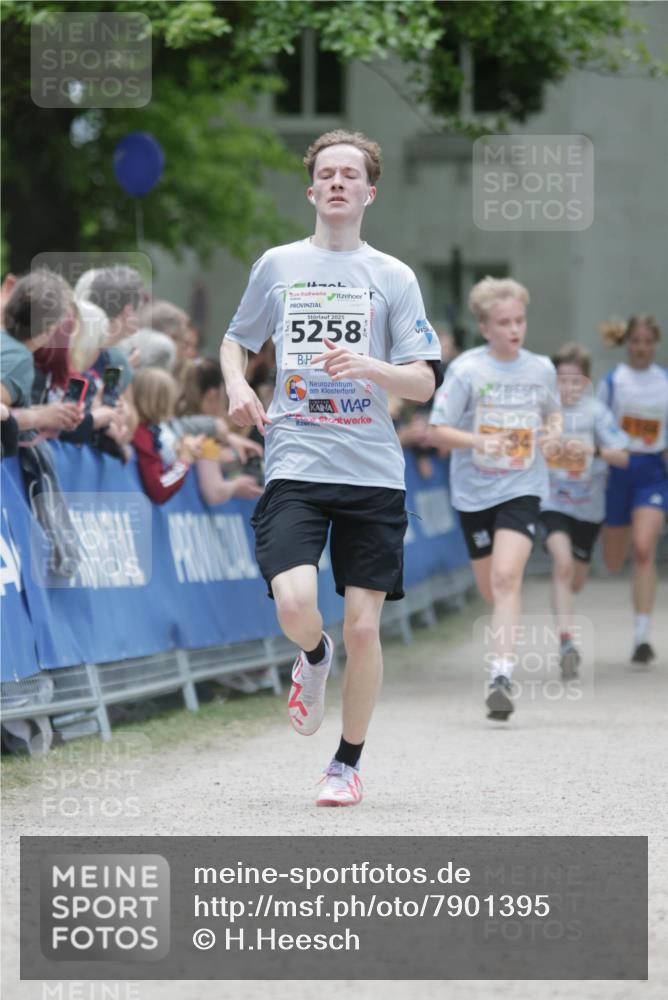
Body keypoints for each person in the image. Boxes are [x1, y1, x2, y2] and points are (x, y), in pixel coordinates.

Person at [220, 129, 442, 807]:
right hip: (295, 459)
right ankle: (312, 657)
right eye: (327, 173)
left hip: (373, 471)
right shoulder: (278, 265)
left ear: (370, 192)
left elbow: (423, 384)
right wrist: (237, 386)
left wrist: (372, 367)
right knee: (295, 604)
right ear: (312, 189)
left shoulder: (392, 276)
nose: (339, 182)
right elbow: (236, 341)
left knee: (365, 626)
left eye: (351, 174)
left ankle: (345, 764)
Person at [429, 277, 561, 721]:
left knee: (507, 577)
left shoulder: (541, 368)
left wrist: (554, 432)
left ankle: (501, 675)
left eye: (519, 320)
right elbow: (436, 430)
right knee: (491, 588)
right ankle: (501, 664)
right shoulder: (467, 370)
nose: (514, 329)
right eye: (504, 322)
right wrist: (479, 443)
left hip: (522, 487)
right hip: (474, 492)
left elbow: (553, 411)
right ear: (485, 327)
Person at [539, 343, 629, 677]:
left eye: (576, 381)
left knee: (574, 579)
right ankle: (566, 642)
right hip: (552, 502)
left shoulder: (596, 413)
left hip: (589, 508)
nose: (568, 387)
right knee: (561, 565)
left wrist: (593, 450)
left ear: (587, 382)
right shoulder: (544, 412)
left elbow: (623, 456)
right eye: (561, 380)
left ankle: (565, 619)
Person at [597, 315, 668, 664]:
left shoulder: (665, 382)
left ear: (655, 344)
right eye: (635, 342)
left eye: (647, 342)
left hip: (652, 471)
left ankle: (642, 635)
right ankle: (638, 623)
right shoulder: (613, 383)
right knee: (613, 560)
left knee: (644, 548)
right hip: (618, 470)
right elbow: (598, 427)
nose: (641, 348)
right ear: (627, 344)